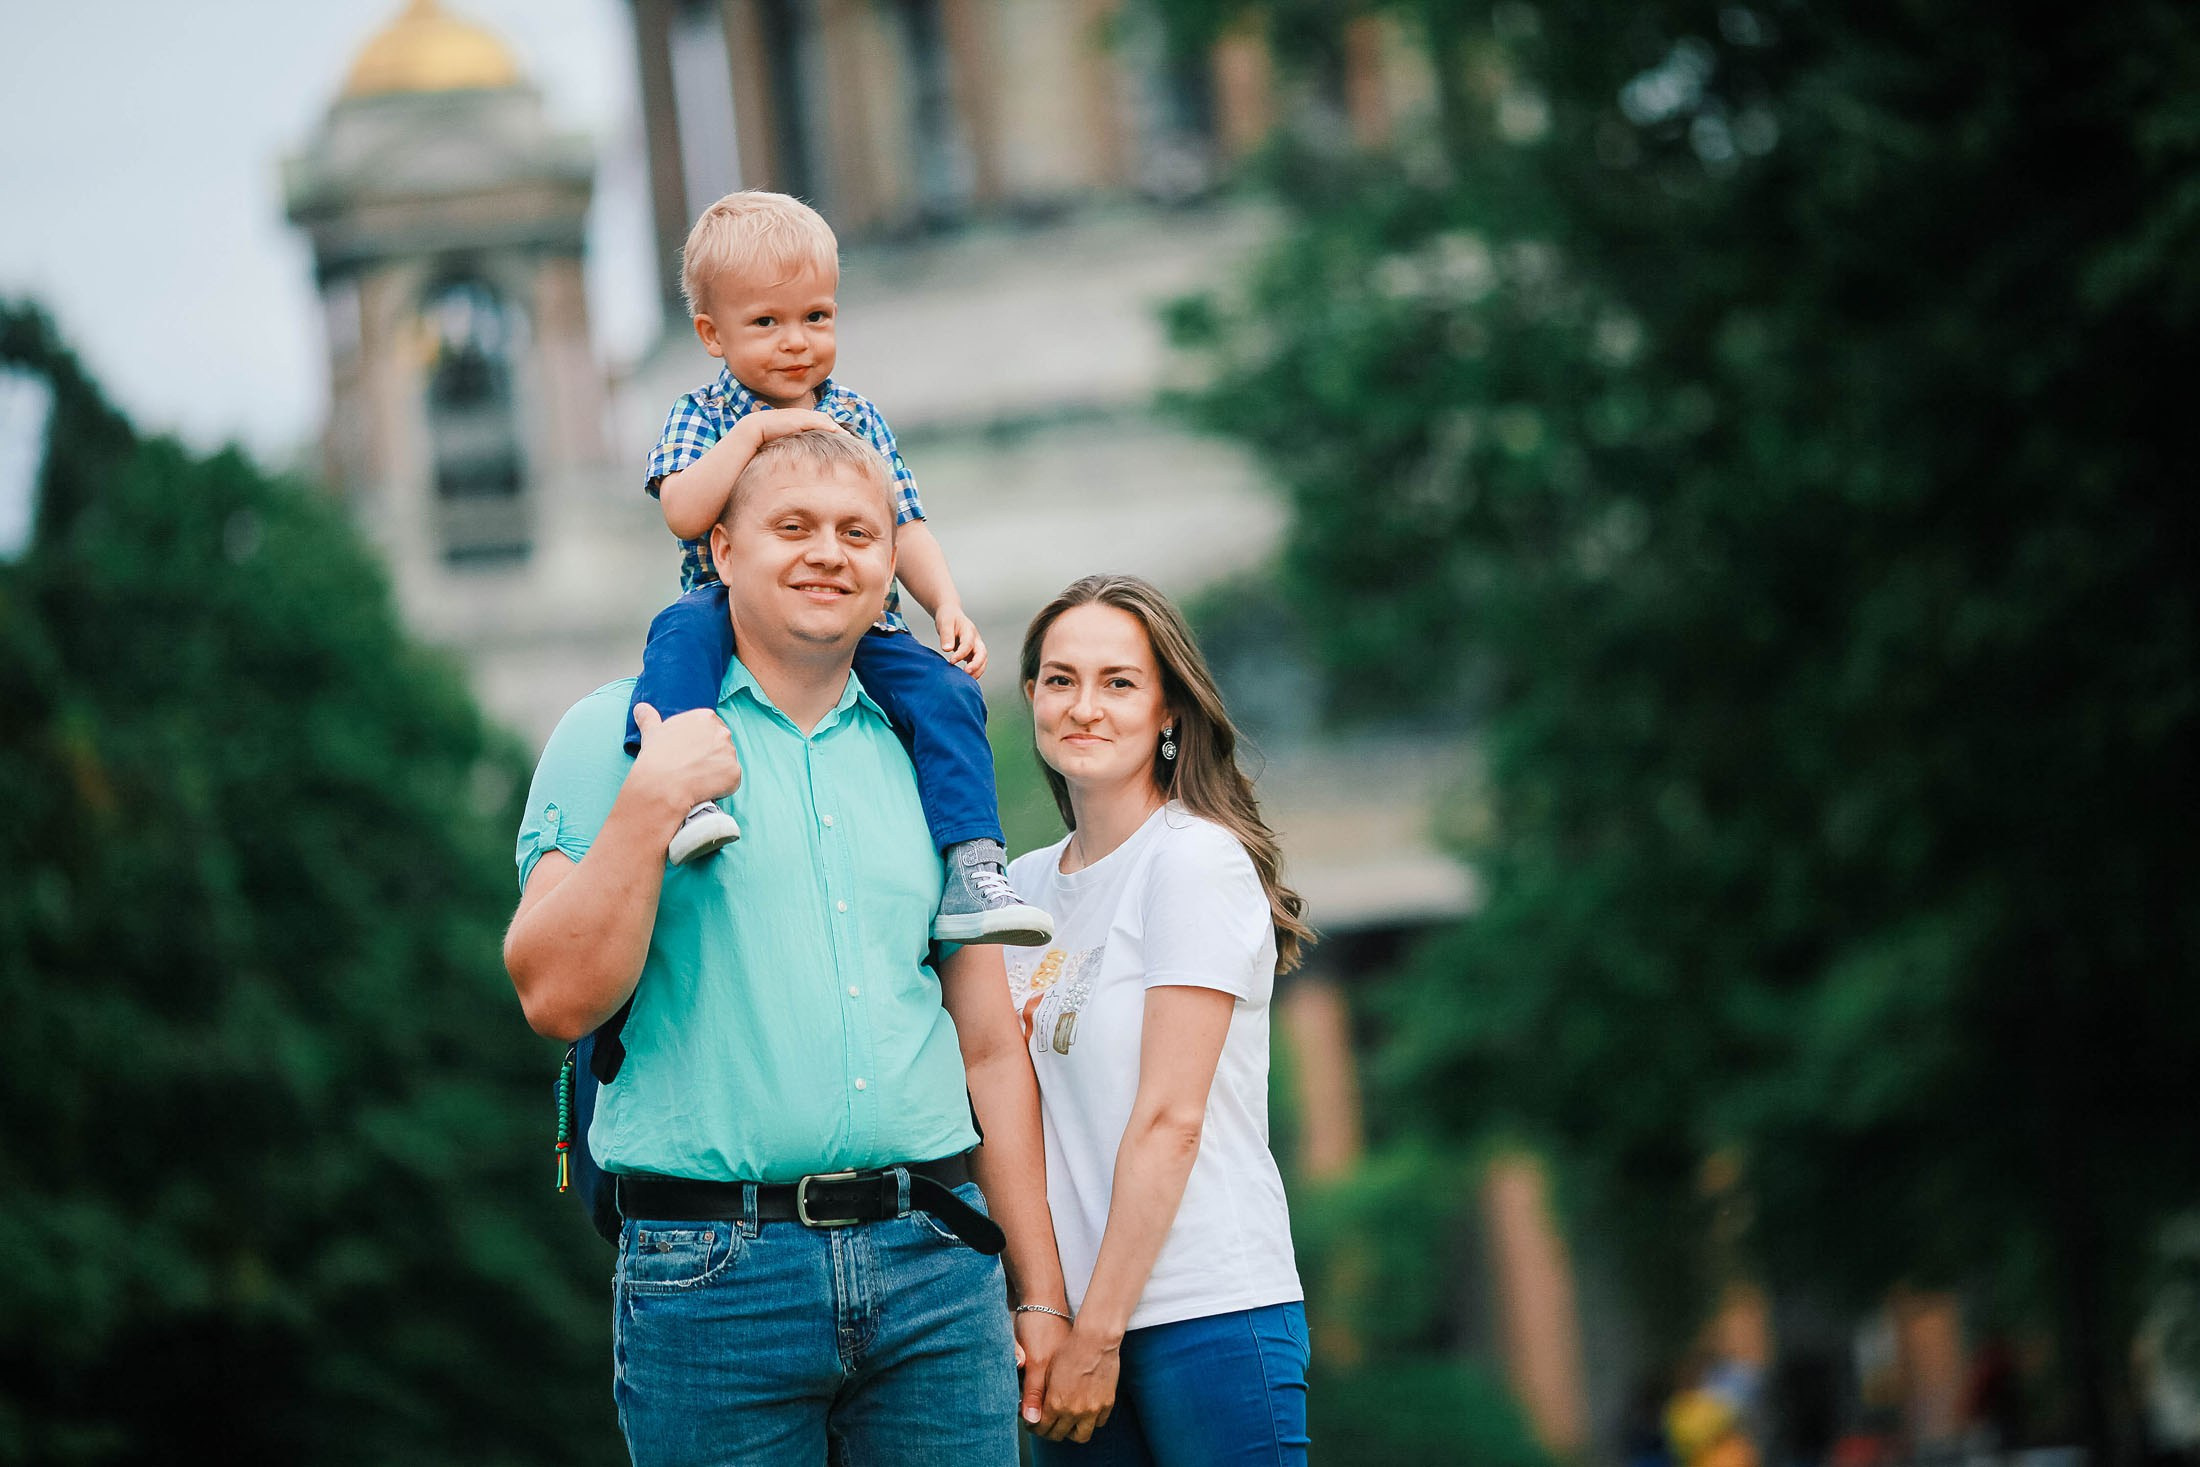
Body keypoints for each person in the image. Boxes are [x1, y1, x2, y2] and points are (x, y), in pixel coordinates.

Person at [504, 429, 1075, 1466]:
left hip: (936, 1271)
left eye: (860, 532)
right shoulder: (612, 732)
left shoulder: (927, 751)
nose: (831, 554)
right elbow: (553, 998)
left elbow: (989, 1044)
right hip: (713, 1280)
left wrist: (1039, 1295)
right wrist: (649, 806)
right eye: (794, 528)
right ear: (722, 550)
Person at [628, 188, 1048, 947]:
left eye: (816, 317)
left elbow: (905, 522)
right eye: (767, 322)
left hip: (862, 617)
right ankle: (685, 791)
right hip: (734, 606)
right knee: (677, 635)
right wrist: (759, 432)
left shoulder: (856, 414)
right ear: (711, 334)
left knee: (946, 690)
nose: (796, 341)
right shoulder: (704, 414)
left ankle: (973, 863)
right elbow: (684, 510)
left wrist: (944, 603)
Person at [1004, 573, 1317, 1464]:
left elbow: (1170, 1121)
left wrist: (1099, 1334)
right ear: (1031, 697)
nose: (1084, 707)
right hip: (1065, 1329)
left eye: (1118, 681)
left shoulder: (1193, 862)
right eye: (1060, 680)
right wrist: (1044, 1309)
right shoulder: (1017, 891)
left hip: (1205, 1310)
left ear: (1169, 710)